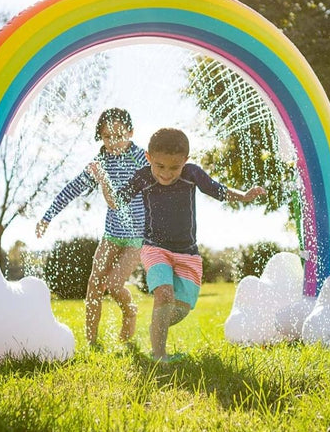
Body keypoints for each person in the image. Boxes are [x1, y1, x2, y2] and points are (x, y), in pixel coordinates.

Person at [89, 127, 266, 361]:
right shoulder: (143, 176)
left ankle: (155, 327)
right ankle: (159, 355)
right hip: (154, 248)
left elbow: (217, 190)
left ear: (185, 160)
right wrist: (103, 179)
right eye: (160, 166)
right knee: (164, 295)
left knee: (180, 309)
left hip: (188, 254)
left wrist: (243, 195)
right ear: (149, 158)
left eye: (174, 167)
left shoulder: (191, 174)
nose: (166, 173)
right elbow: (115, 202)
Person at [36, 108, 148, 346]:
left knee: (115, 284)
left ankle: (130, 311)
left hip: (136, 238)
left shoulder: (140, 157)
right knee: (95, 283)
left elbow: (161, 174)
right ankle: (91, 343)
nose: (113, 141)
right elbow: (72, 188)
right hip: (111, 235)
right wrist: (48, 216)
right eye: (107, 136)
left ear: (131, 132)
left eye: (119, 135)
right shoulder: (101, 164)